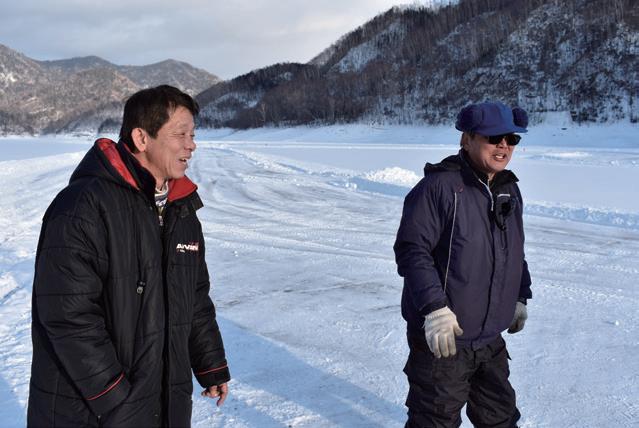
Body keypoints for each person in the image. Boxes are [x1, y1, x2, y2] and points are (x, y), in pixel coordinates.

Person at [27, 85, 230, 427]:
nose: (191, 145)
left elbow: (193, 296)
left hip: (163, 403)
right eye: (180, 134)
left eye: (193, 135)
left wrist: (210, 364)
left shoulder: (181, 211)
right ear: (141, 138)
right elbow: (68, 314)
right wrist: (116, 398)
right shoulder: (83, 206)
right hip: (92, 411)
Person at [394, 101, 532, 428]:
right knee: (434, 421)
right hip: (444, 340)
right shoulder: (439, 188)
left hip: (489, 339)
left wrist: (519, 295)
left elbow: (514, 250)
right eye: (493, 138)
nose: (503, 146)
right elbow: (412, 251)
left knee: (500, 418)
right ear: (466, 139)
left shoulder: (508, 189)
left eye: (511, 139)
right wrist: (435, 310)